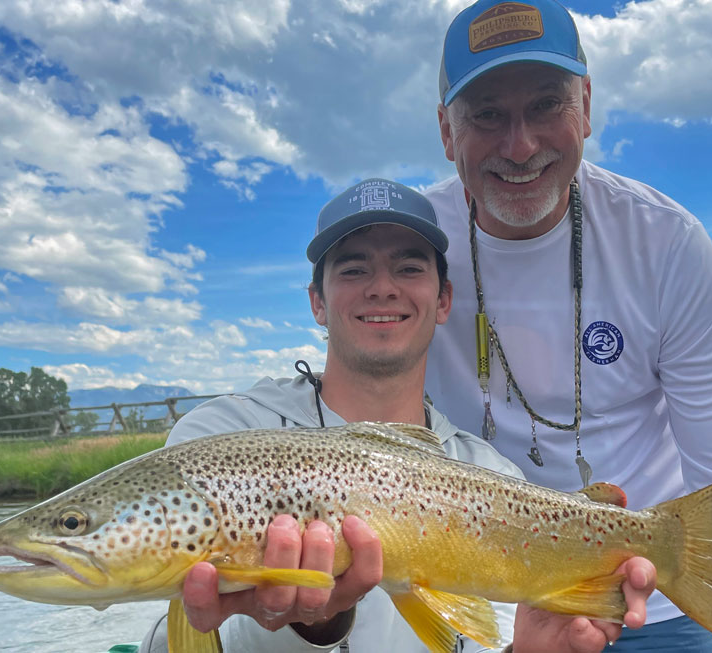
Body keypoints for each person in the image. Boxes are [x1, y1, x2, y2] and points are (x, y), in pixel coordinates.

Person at [138, 178, 656, 652]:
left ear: (444, 299)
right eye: (354, 267)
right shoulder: (216, 441)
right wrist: (310, 624)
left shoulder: (491, 476)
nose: (382, 286)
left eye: (409, 267)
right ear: (317, 301)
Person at [423, 1, 712, 651]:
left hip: (651, 598)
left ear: (586, 106)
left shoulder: (667, 244)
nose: (520, 145)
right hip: (485, 603)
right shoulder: (407, 250)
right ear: (447, 132)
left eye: (545, 105)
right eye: (486, 114)